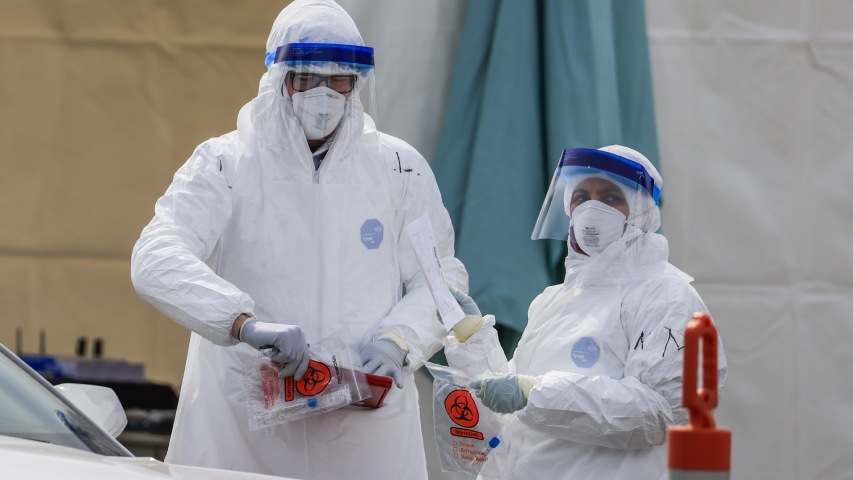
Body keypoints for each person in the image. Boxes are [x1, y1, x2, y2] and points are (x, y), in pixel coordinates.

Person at [130, 1, 467, 478]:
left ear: (357, 83)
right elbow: (155, 258)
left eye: (340, 80)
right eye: (307, 77)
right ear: (278, 78)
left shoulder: (399, 169)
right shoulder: (226, 163)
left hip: (363, 435)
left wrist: (399, 342)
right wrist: (242, 324)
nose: (324, 94)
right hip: (245, 431)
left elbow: (442, 277)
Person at [445, 145, 727, 479]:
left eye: (610, 198)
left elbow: (659, 413)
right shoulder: (553, 300)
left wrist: (534, 394)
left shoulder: (665, 296)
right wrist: (474, 342)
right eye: (581, 197)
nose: (592, 209)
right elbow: (507, 405)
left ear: (640, 213)